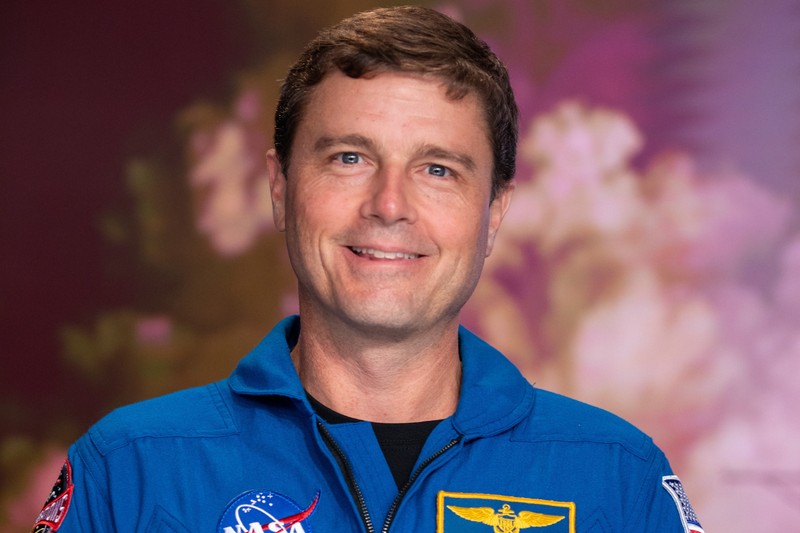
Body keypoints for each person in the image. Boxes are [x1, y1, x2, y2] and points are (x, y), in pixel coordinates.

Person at [32, 6, 703, 533]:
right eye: (349, 157)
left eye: (437, 170)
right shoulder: (130, 472)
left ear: (493, 213)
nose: (389, 205)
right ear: (279, 186)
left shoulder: (619, 480)